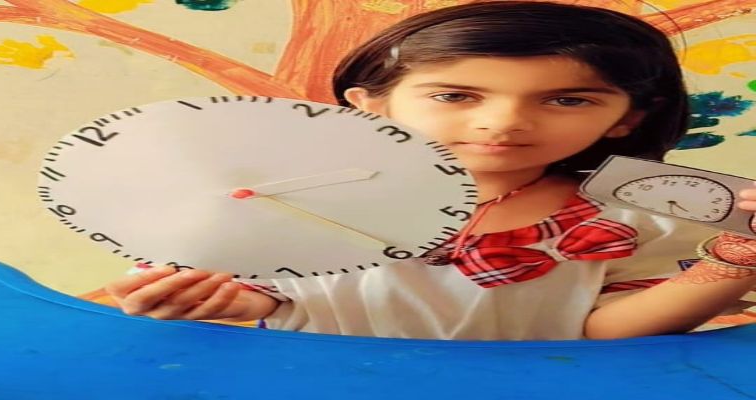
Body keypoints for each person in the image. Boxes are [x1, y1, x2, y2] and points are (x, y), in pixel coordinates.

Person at [105, 1, 756, 340]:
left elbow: (602, 330)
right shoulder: (285, 197)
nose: (504, 123)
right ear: (373, 104)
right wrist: (217, 300)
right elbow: (275, 297)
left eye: (567, 100)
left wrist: (739, 258)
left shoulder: (638, 219)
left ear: (626, 118)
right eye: (455, 95)